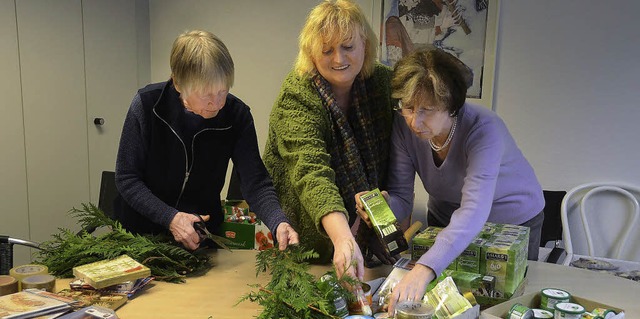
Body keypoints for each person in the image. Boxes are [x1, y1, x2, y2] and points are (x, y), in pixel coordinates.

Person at [355, 48, 544, 314]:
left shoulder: (484, 130)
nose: (413, 120)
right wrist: (383, 206)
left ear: (452, 107)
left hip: (512, 222)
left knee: (502, 306)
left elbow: (474, 210)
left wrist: (424, 269)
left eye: (426, 110)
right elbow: (402, 197)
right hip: (448, 221)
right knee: (448, 304)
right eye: (407, 108)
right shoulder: (403, 126)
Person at [113, 30, 298, 251]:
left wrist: (279, 221)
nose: (217, 103)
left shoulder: (236, 116)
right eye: (206, 94)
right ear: (178, 84)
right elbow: (127, 178)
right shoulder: (147, 105)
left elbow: (255, 182)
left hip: (200, 237)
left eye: (222, 91)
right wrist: (170, 218)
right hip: (139, 235)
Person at [263, 0, 395, 280]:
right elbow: (312, 173)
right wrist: (343, 239)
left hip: (370, 240)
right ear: (311, 53)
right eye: (327, 50)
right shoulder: (297, 96)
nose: (339, 59)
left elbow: (401, 153)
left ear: (365, 45)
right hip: (308, 244)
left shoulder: (382, 83)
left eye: (348, 47)